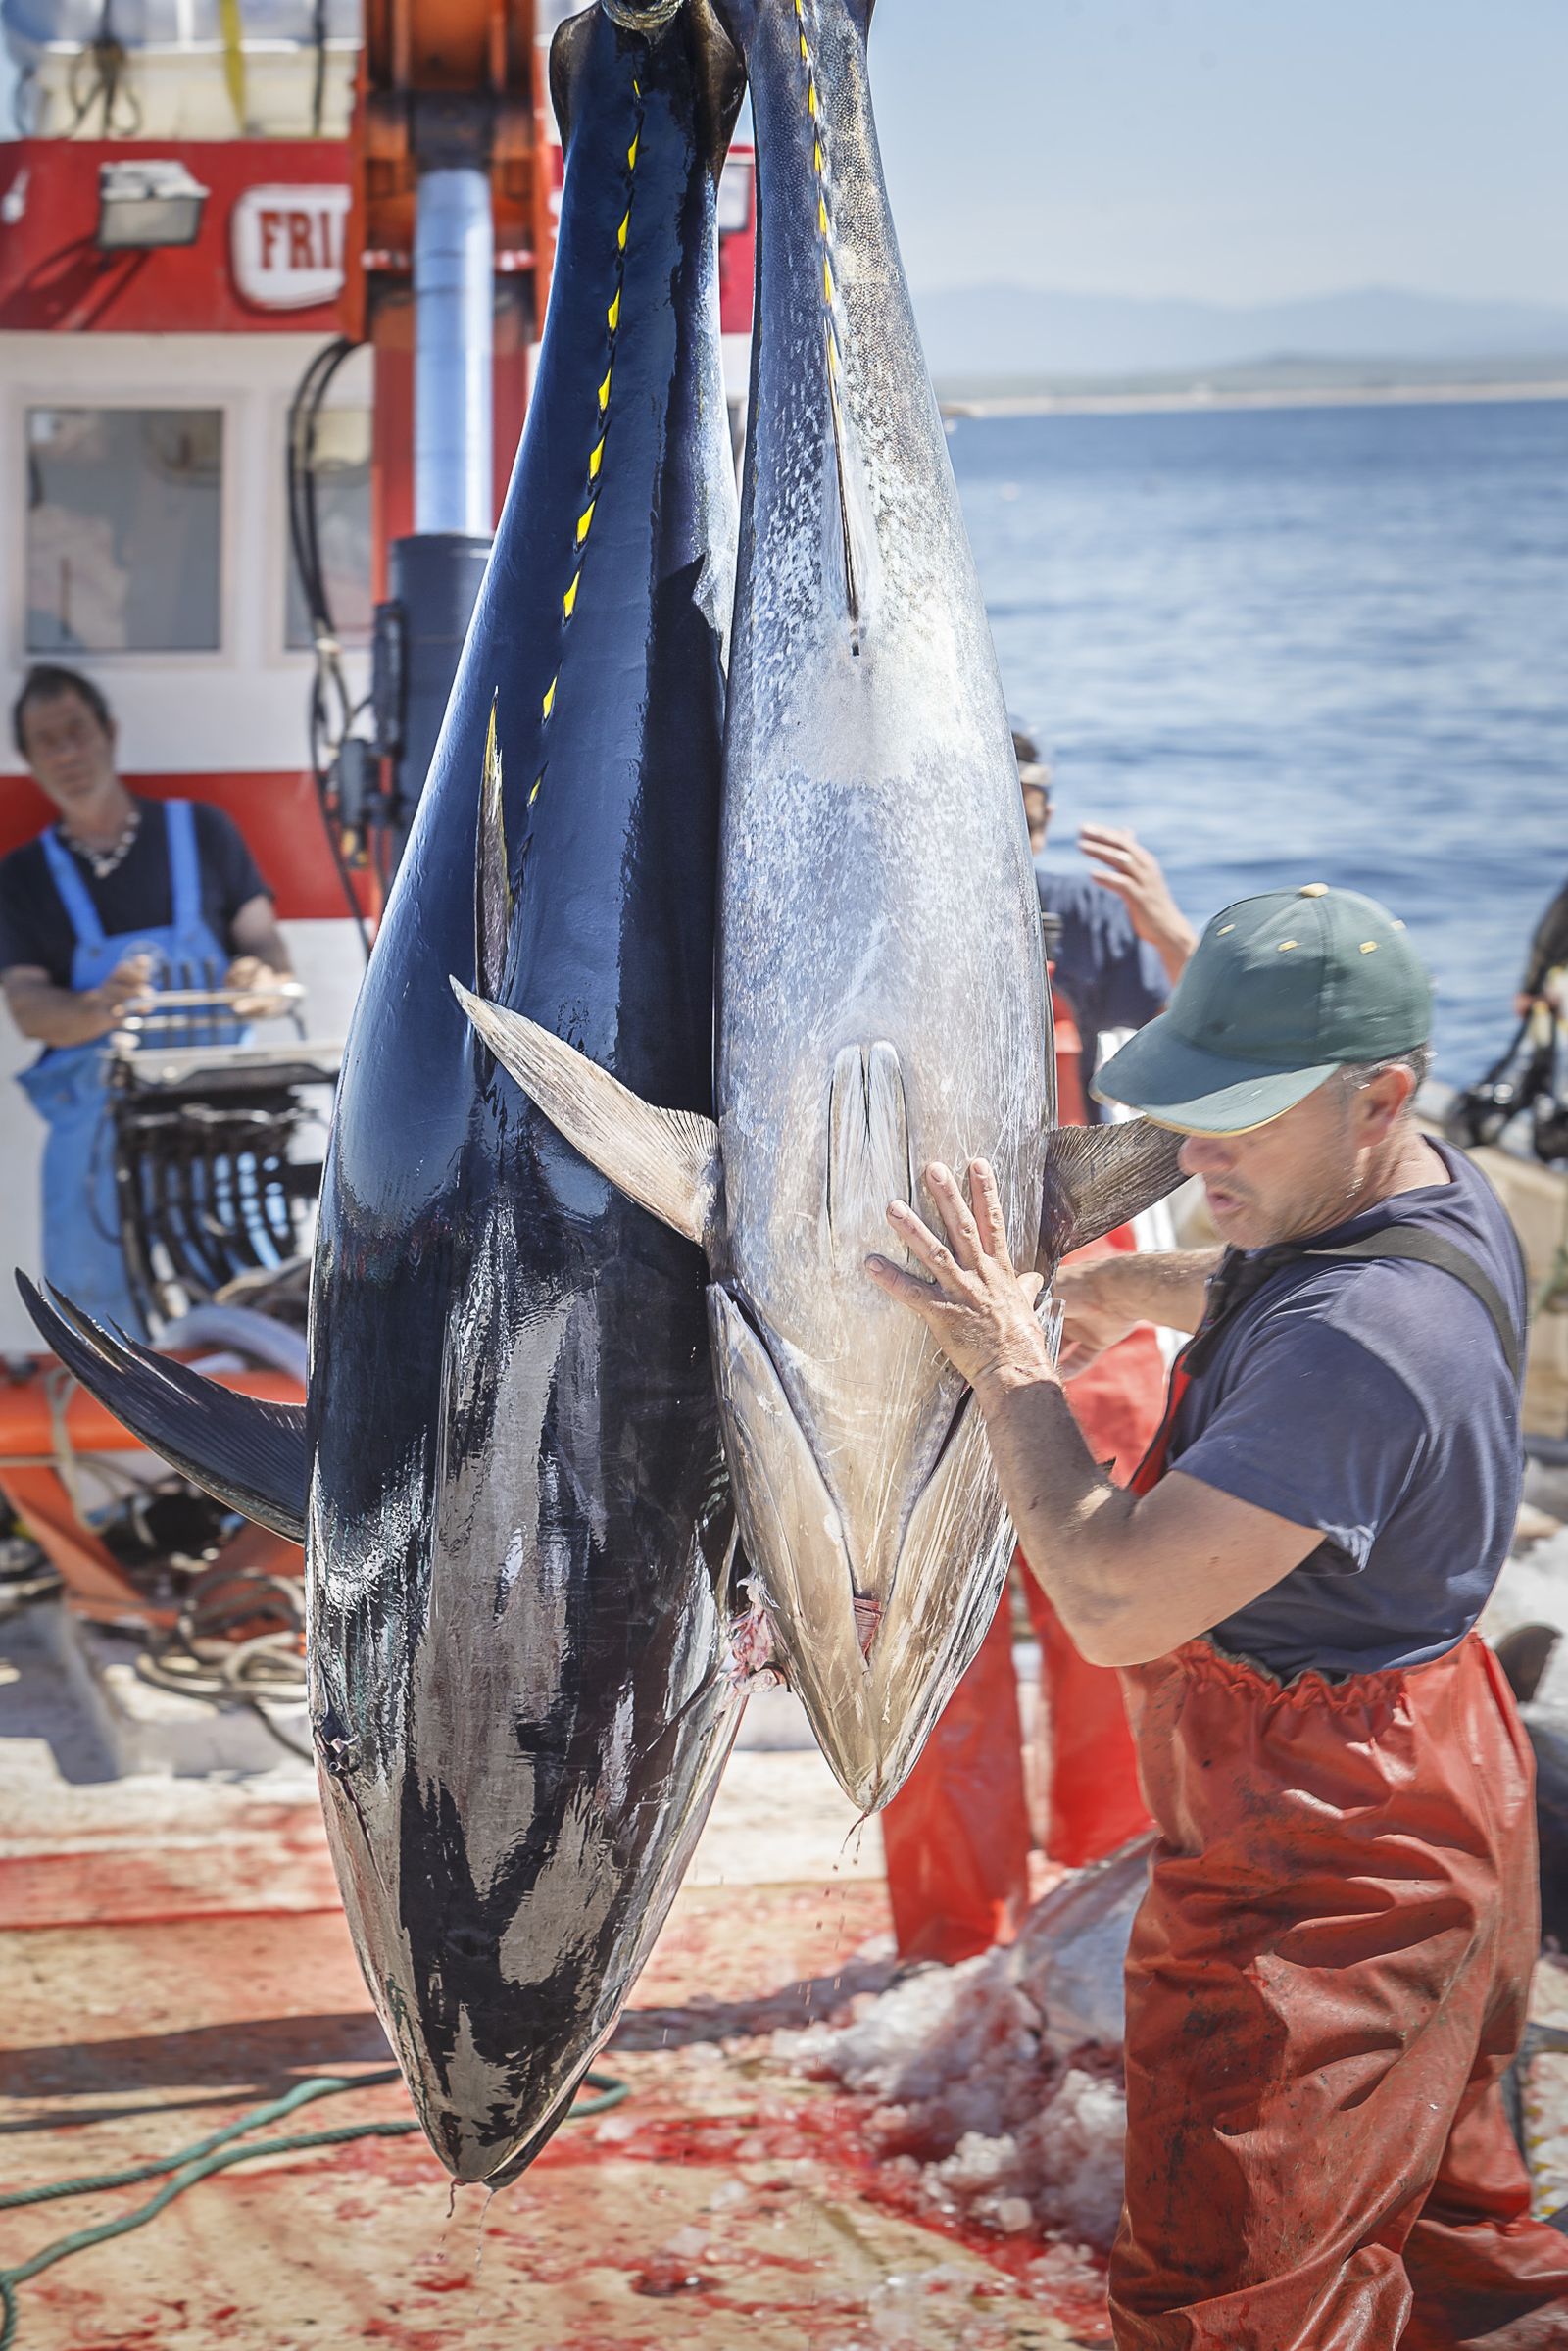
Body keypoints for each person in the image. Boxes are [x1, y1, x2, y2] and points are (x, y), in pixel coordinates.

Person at [869, 883, 1568, 2349]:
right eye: (1187, 1109)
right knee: (1448, 2226)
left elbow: (1115, 1598)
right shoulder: (1434, 1191)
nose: (1196, 1153)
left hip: (1326, 1846)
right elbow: (1291, 1283)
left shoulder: (1361, 1347)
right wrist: (1141, 1281)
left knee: (1239, 2285)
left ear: (1381, 1092)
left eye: (1241, 1119)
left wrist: (1011, 1360)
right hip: (1445, 1765)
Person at [876, 750, 1189, 1961]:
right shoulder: (867, 927)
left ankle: (1118, 1908)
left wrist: (1170, 930)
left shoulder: (1089, 919)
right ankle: (954, 1942)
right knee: (928, 1644)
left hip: (1093, 1316)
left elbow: (1215, 1052)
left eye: (1035, 803)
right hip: (913, 1327)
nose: (1021, 825)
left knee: (1125, 1624)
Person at [0, 665, 293, 1337]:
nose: (67, 752)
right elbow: (27, 1006)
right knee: (97, 1318)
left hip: (222, 1126)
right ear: (30, 760)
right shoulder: (21, 877)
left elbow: (269, 953)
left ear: (109, 733)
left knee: (249, 1288)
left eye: (77, 731)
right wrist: (96, 1008)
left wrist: (260, 985)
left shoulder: (206, 832)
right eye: (47, 741)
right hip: (98, 1136)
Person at [1017, 731, 1196, 1112]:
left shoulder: (1088, 914)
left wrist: (1172, 937)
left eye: (1022, 829)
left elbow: (1189, 1041)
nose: (1007, 848)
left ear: (1046, 823)